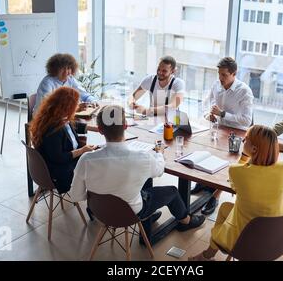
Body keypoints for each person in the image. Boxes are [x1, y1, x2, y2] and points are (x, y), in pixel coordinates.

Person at [69, 105, 205, 232]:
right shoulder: (141, 158)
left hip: (101, 212)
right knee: (172, 191)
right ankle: (186, 221)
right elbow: (158, 171)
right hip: (132, 213)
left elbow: (76, 195)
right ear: (126, 126)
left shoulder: (86, 159)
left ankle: (150, 217)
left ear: (100, 130)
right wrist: (159, 154)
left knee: (139, 181)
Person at [189, 125, 283, 261]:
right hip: (277, 239)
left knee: (225, 208)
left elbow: (233, 183)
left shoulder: (237, 171)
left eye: (246, 139)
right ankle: (207, 255)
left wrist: (244, 156)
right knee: (227, 208)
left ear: (254, 149)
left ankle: (209, 254)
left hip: (244, 240)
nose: (243, 141)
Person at [192, 56, 254, 215]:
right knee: (204, 153)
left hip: (237, 134)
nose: (220, 78)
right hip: (219, 129)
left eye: (224, 75)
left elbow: (246, 121)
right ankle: (204, 183)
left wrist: (222, 114)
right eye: (219, 74)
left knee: (228, 165)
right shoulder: (216, 85)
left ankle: (215, 196)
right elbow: (207, 105)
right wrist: (209, 115)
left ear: (234, 74)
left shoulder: (244, 91)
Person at [29, 87, 97, 193]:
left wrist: (94, 129)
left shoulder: (54, 116)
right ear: (67, 108)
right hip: (59, 173)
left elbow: (71, 126)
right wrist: (82, 150)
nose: (77, 107)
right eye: (75, 105)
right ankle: (95, 201)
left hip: (56, 164)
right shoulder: (53, 129)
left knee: (95, 158)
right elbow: (59, 158)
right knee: (98, 166)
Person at [34, 53, 98, 114]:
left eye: (69, 68)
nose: (67, 72)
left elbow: (84, 95)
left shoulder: (70, 79)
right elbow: (47, 108)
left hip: (63, 117)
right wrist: (75, 109)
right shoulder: (47, 82)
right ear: (55, 70)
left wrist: (92, 101)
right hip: (44, 118)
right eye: (63, 69)